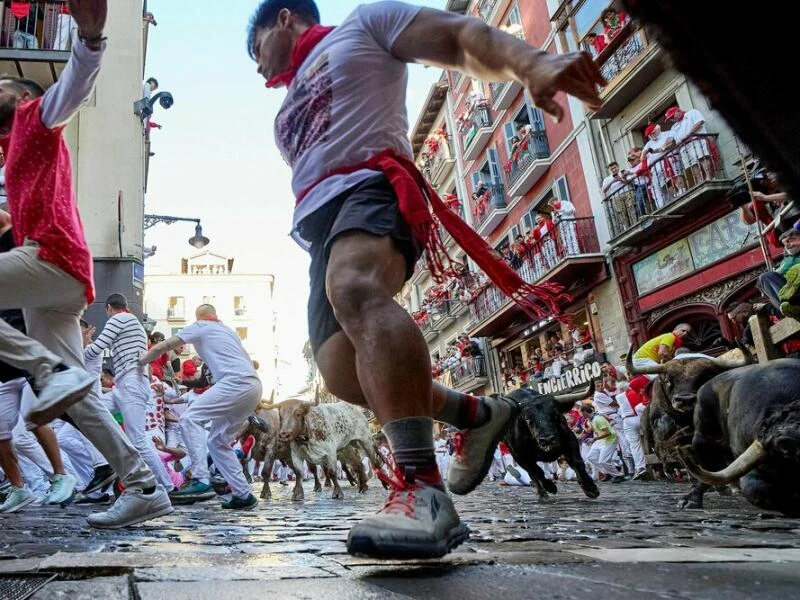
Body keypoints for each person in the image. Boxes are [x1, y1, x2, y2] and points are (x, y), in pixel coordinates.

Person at [247, 0, 604, 559]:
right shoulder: (284, 107)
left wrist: (530, 63)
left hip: (374, 187)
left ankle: (422, 490)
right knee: (343, 373)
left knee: (356, 288)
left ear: (284, 18)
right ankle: (480, 414)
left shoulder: (366, 24)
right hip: (321, 227)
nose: (257, 66)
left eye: (255, 47)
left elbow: (458, 36)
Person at [0, 0, 172, 529]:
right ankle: (143, 484)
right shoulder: (10, 149)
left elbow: (74, 84)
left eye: (1, 84)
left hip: (52, 260)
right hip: (54, 281)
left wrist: (92, 37)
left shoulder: (38, 116)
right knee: (79, 397)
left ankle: (45, 369)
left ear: (24, 97)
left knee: (59, 379)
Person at [139, 304, 262, 510]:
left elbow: (163, 346)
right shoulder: (229, 332)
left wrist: (140, 361)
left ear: (200, 316)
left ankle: (200, 479)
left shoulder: (201, 325)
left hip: (234, 383)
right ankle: (243, 494)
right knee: (217, 441)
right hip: (253, 387)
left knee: (189, 419)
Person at [86, 294, 176, 492]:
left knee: (138, 441)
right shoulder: (131, 322)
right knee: (91, 413)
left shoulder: (119, 318)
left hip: (131, 384)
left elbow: (98, 348)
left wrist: (78, 349)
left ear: (109, 308)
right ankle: (104, 466)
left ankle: (168, 486)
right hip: (126, 385)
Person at [756, 228, 800, 318]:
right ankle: (788, 306)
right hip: (789, 290)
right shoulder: (785, 260)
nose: (787, 246)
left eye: (790, 241)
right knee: (765, 277)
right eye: (784, 244)